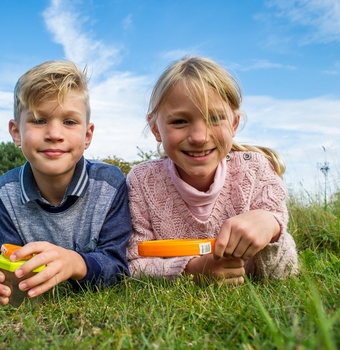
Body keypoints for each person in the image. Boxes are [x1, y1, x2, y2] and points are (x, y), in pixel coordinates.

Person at [127, 56, 298, 285]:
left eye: (215, 119)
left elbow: (285, 273)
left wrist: (271, 226)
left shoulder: (256, 170)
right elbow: (133, 264)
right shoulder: (142, 181)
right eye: (179, 121)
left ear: (234, 124)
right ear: (155, 128)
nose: (199, 137)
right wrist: (191, 270)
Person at [0, 60, 132, 305]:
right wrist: (0, 281)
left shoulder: (110, 184)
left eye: (69, 122)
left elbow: (119, 266)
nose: (54, 134)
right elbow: (3, 258)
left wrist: (75, 263)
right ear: (16, 133)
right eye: (39, 120)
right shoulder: (6, 191)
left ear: (87, 135)